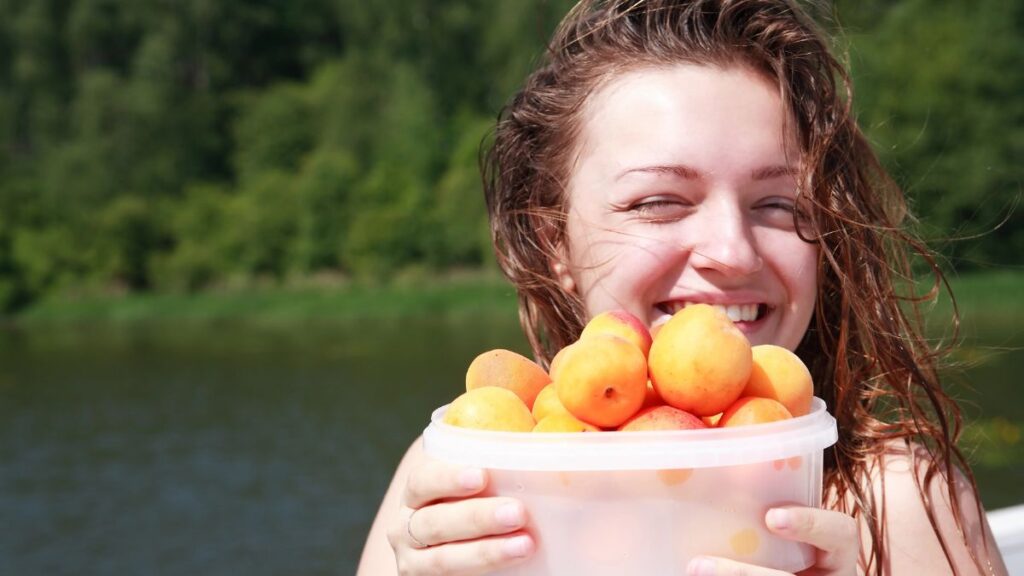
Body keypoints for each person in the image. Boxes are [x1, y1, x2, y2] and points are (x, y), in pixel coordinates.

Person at [358, 0, 1009, 574]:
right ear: (553, 242)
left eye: (780, 205)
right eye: (660, 201)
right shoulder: (459, 491)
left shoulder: (899, 508)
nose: (732, 251)